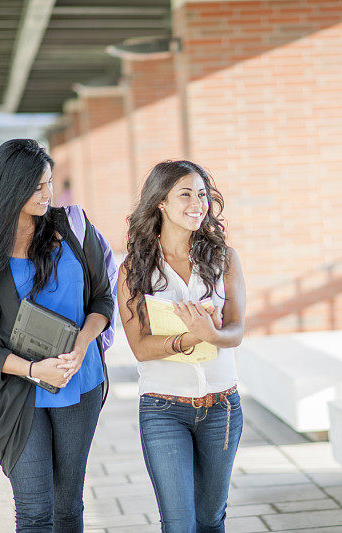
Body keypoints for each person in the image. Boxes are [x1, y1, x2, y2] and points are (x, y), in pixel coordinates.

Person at [0, 139, 114, 532]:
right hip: (19, 394)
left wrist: (84, 345)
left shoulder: (72, 227)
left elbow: (102, 298)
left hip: (80, 383)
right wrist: (34, 370)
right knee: (35, 511)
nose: (46, 194)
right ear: (9, 186)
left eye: (49, 183)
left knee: (69, 508)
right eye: (36, 187)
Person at [117, 160, 246, 532]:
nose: (197, 203)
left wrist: (213, 334)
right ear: (160, 202)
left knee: (210, 519)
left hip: (222, 407)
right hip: (163, 409)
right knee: (178, 524)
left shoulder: (224, 259)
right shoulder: (135, 268)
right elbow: (140, 347)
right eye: (185, 194)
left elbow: (235, 331)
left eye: (202, 194)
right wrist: (195, 335)